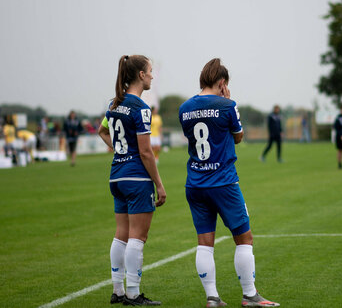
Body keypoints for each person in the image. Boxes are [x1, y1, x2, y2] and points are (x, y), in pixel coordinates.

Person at [179, 58, 279, 308]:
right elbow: (238, 137)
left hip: (195, 183)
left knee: (205, 242)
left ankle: (212, 298)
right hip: (223, 182)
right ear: (222, 83)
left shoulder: (184, 108)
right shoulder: (227, 105)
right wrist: (228, 101)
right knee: (244, 238)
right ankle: (249, 295)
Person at [97, 55, 166, 306]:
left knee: (121, 235)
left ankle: (118, 290)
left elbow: (101, 130)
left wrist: (119, 151)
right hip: (137, 178)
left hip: (116, 177)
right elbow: (146, 152)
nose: (151, 75)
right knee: (138, 237)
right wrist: (159, 183)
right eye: (149, 71)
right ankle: (134, 294)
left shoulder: (114, 104)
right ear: (140, 75)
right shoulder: (140, 108)